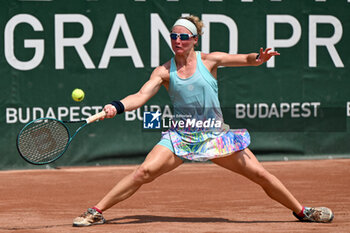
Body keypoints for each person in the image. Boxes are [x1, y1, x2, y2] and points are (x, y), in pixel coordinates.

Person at [72, 15, 334, 227]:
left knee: (261, 174)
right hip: (181, 137)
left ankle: (303, 211)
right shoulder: (164, 71)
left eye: (183, 37)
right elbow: (140, 96)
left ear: (194, 40)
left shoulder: (210, 60)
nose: (177, 41)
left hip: (215, 137)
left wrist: (259, 58)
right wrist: (115, 107)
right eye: (173, 36)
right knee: (144, 172)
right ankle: (96, 211)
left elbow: (244, 59)